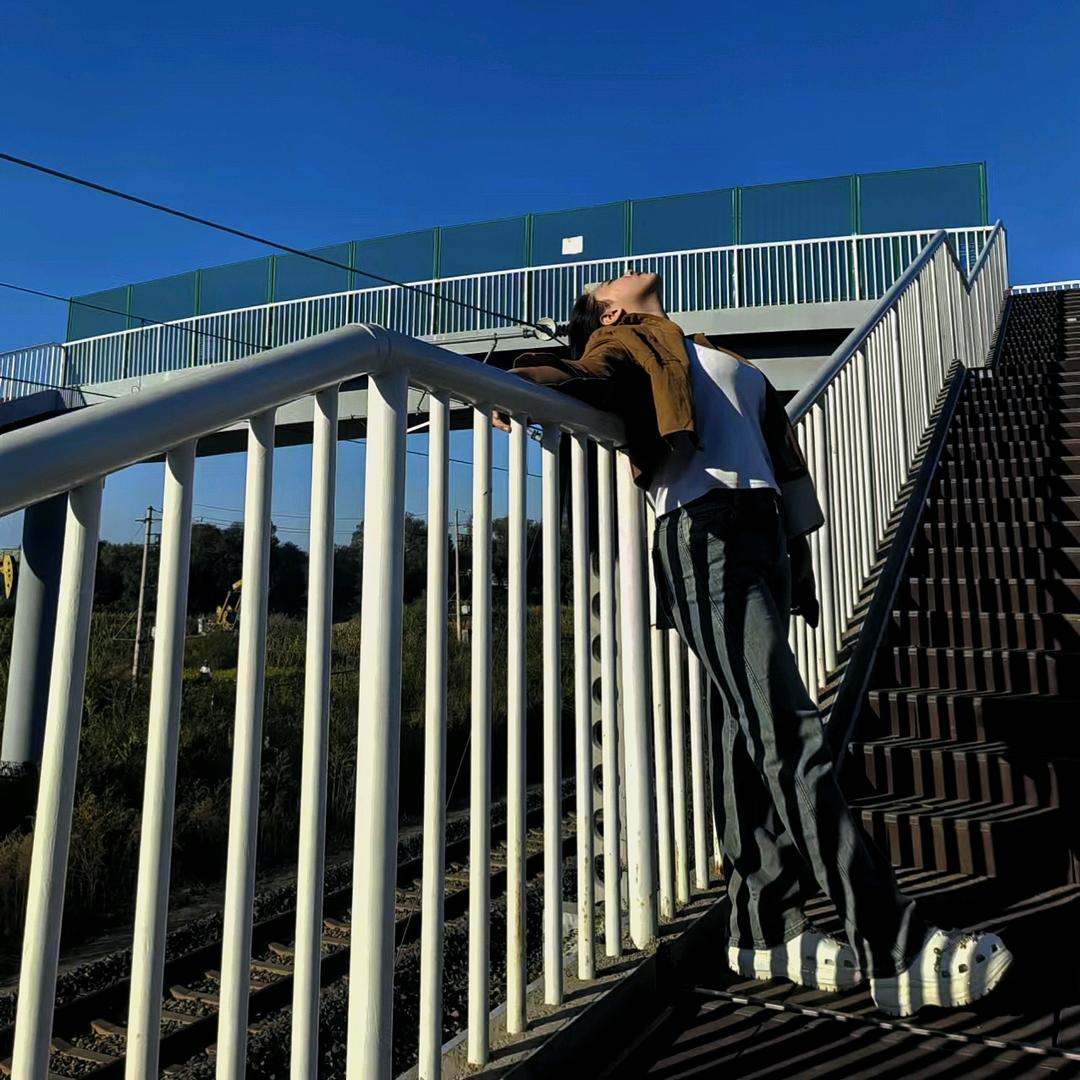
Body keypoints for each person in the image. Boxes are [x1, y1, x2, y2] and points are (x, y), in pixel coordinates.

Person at [504, 269, 1012, 1017]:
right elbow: (584, 376)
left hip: (761, 530)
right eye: (607, 282)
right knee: (790, 733)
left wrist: (796, 556)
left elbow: (777, 452)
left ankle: (764, 928)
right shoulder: (627, 340)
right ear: (607, 311)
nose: (623, 270)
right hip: (703, 531)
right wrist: (522, 386)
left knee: (745, 735)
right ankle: (894, 948)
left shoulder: (708, 351)